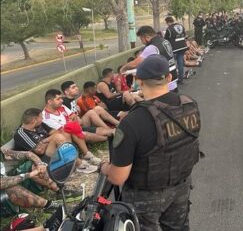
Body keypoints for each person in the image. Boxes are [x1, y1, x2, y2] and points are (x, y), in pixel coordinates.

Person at [99, 55, 201, 231]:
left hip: (145, 197)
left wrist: (103, 167)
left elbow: (117, 177)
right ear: (168, 78)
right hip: (181, 187)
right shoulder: (189, 105)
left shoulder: (132, 122)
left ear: (139, 81)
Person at [41, 89, 103, 164]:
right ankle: (77, 159)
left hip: (76, 130)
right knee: (72, 130)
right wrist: (72, 122)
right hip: (64, 139)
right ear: (49, 102)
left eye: (61, 98)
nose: (62, 101)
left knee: (75, 128)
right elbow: (62, 130)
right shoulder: (46, 117)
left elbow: (74, 116)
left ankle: (88, 154)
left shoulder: (61, 106)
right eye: (58, 99)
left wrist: (72, 121)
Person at [122, 26, 177, 90]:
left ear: (147, 37)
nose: (142, 42)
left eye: (142, 39)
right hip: (172, 76)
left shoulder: (152, 47)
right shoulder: (165, 41)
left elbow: (135, 63)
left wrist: (124, 68)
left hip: (162, 82)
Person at [164, 17, 189, 85]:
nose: (167, 24)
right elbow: (185, 35)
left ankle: (173, 79)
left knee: (172, 64)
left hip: (174, 48)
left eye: (166, 23)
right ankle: (181, 79)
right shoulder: (181, 26)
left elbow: (165, 39)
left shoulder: (169, 29)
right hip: (183, 46)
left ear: (168, 22)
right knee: (180, 63)